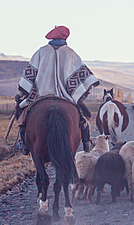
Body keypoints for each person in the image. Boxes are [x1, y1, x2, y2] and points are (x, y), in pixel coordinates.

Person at [15, 25, 99, 154]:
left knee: (21, 111)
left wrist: (20, 94)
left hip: (40, 95)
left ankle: (23, 144)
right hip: (66, 96)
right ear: (65, 37)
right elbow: (81, 74)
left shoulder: (40, 52)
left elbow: (29, 75)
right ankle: (86, 142)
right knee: (83, 115)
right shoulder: (71, 53)